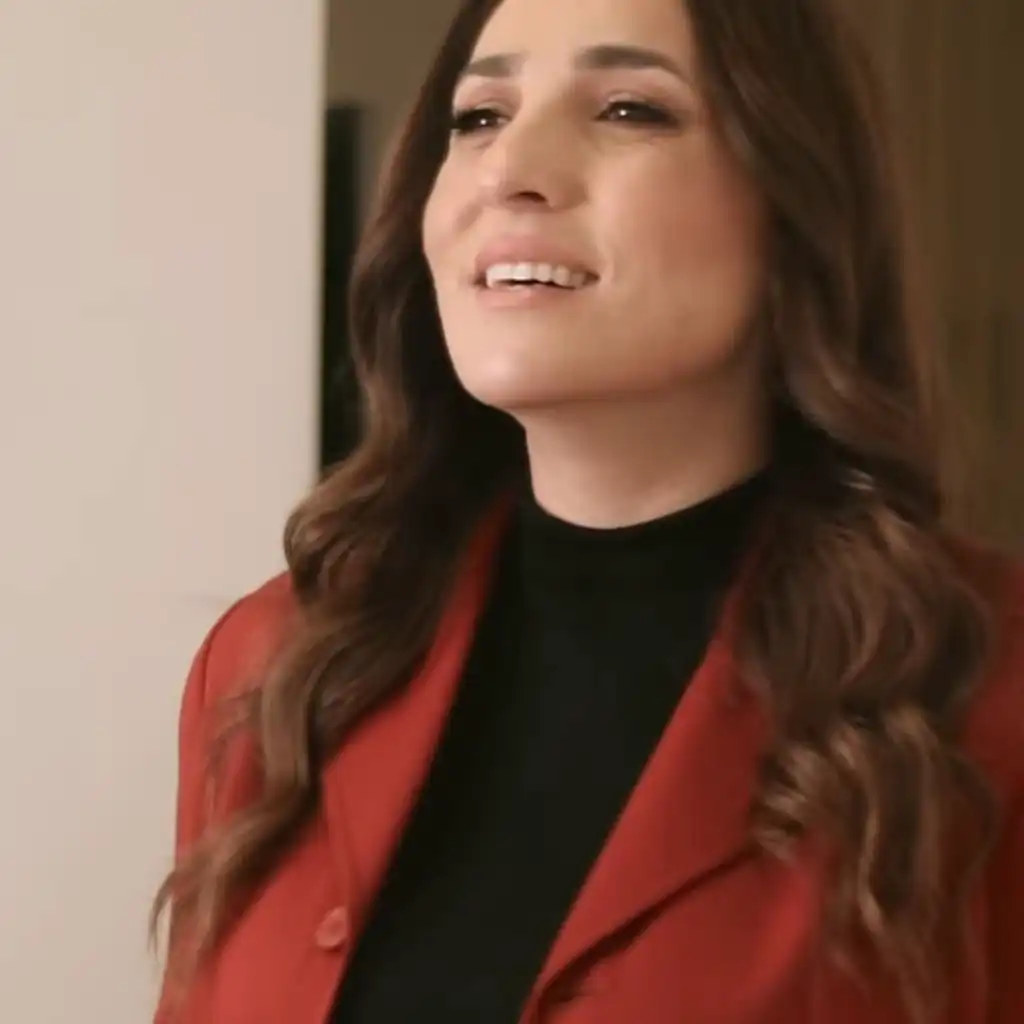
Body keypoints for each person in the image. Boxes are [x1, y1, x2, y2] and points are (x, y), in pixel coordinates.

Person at [151, 0, 1024, 1020]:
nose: (510, 170)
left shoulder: (990, 692)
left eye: (627, 109)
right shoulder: (272, 667)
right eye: (479, 117)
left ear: (794, 208)